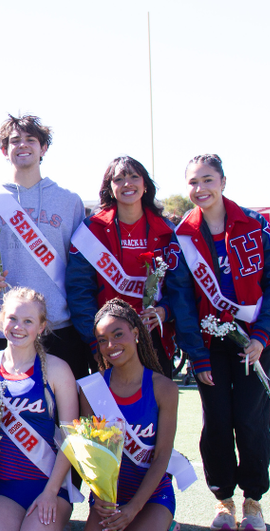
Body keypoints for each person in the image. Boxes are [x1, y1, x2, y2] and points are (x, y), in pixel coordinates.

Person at [164, 154, 270, 531]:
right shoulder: (182, 235)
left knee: (251, 421)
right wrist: (197, 354)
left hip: (253, 342)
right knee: (216, 422)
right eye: (193, 182)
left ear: (222, 182)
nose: (200, 188)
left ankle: (253, 500)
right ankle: (223, 498)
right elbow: (181, 300)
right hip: (209, 345)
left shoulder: (256, 225)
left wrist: (262, 336)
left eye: (208, 180)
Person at [0, 287, 80, 531]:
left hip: (48, 487)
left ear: (41, 327)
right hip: (5, 488)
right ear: (0, 320)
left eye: (28, 321)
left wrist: (51, 493)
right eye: (12, 318)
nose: (18, 327)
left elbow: (72, 438)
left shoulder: (57, 370)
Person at [0, 114, 90, 380]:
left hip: (59, 329)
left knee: (66, 406)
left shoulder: (70, 201)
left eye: (31, 140)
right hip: (6, 329)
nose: (22, 145)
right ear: (4, 150)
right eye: (15, 140)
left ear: (43, 148)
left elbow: (80, 268)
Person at [81, 299, 180, 531]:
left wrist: (134, 508)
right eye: (102, 340)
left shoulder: (164, 389)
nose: (110, 345)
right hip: (108, 497)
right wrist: (100, 497)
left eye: (118, 335)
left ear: (136, 333)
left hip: (151, 496)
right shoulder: (91, 389)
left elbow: (161, 457)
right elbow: (91, 455)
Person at [67, 156, 178, 378]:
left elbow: (181, 286)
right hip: (108, 340)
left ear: (145, 185)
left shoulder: (167, 230)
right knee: (111, 401)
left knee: (156, 398)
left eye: (134, 177)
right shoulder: (91, 231)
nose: (127, 183)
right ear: (109, 188)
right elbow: (79, 290)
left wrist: (165, 311)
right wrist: (95, 339)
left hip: (154, 336)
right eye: (119, 179)